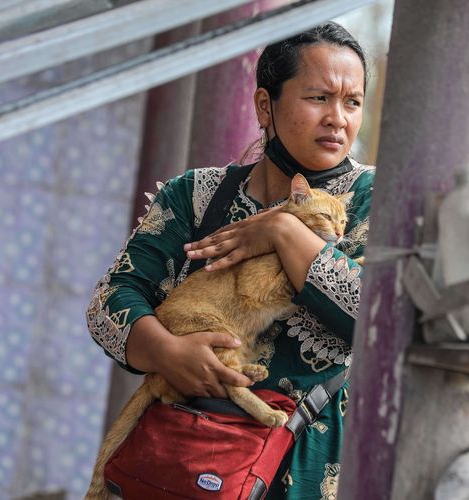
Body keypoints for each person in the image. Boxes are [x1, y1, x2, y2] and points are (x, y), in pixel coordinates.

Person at [86, 21, 375, 499]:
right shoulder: (196, 196)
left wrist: (284, 230)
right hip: (181, 455)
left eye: (353, 102)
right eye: (319, 97)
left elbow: (374, 315)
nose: (338, 118)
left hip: (305, 462)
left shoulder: (372, 199)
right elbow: (110, 301)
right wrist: (166, 352)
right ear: (266, 106)